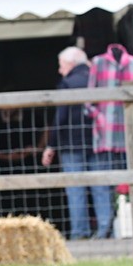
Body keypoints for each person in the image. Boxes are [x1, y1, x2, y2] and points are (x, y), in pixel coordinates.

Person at [41, 47, 102, 239]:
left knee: (75, 188)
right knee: (102, 185)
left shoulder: (68, 83)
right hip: (99, 140)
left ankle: (80, 232)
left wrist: (51, 145)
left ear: (71, 63)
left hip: (71, 144)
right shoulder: (98, 80)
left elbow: (61, 117)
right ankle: (105, 229)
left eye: (61, 65)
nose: (60, 70)